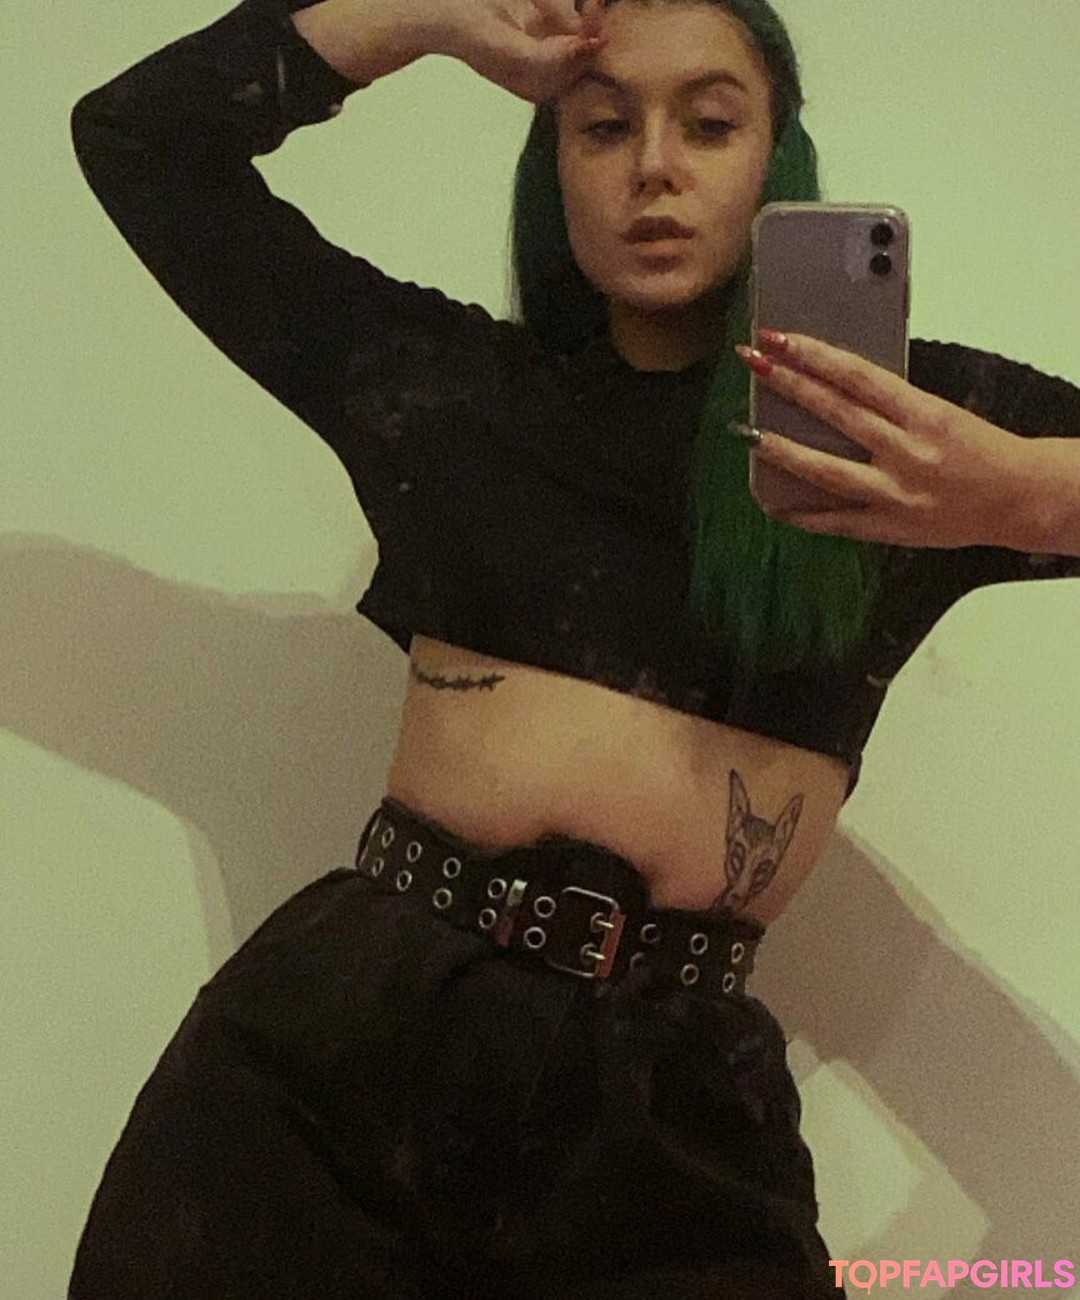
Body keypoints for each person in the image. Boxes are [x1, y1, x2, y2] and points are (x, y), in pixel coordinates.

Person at [67, 0, 1080, 1296]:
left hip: (672, 1112)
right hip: (340, 1065)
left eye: (709, 123)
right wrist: (425, 18)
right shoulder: (451, 389)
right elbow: (141, 142)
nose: (654, 165)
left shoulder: (900, 431)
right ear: (552, 167)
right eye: (603, 127)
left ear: (778, 157)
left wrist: (1020, 495)